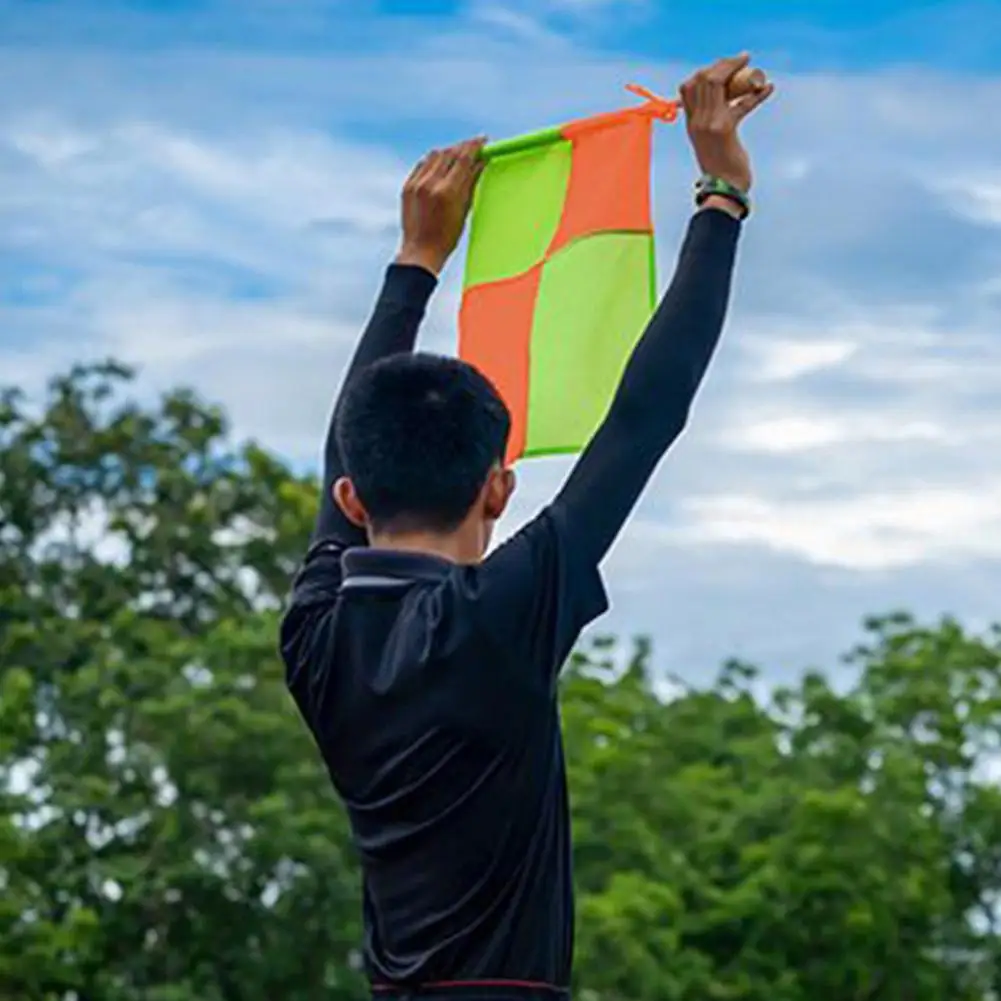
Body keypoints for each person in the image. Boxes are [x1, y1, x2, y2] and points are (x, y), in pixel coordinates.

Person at [281, 53, 773, 1001]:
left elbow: (641, 423)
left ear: (353, 500)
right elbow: (643, 414)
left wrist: (415, 258)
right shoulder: (494, 616)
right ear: (497, 487)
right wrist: (720, 190)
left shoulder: (316, 633)